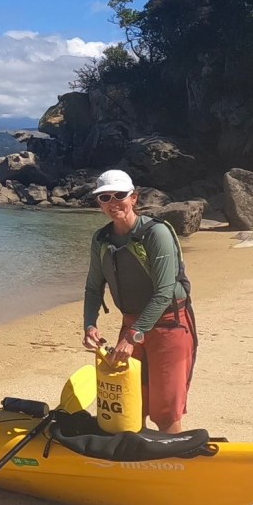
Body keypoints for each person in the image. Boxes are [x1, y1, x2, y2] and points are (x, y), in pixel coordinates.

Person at [81, 169, 196, 433]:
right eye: (104, 197)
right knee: (131, 402)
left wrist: (133, 335)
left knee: (165, 410)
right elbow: (92, 287)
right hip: (133, 324)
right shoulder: (101, 239)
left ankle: (172, 464)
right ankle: (134, 462)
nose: (113, 203)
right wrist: (89, 325)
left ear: (134, 197)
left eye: (119, 195)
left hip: (169, 323)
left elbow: (165, 290)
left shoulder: (156, 234)